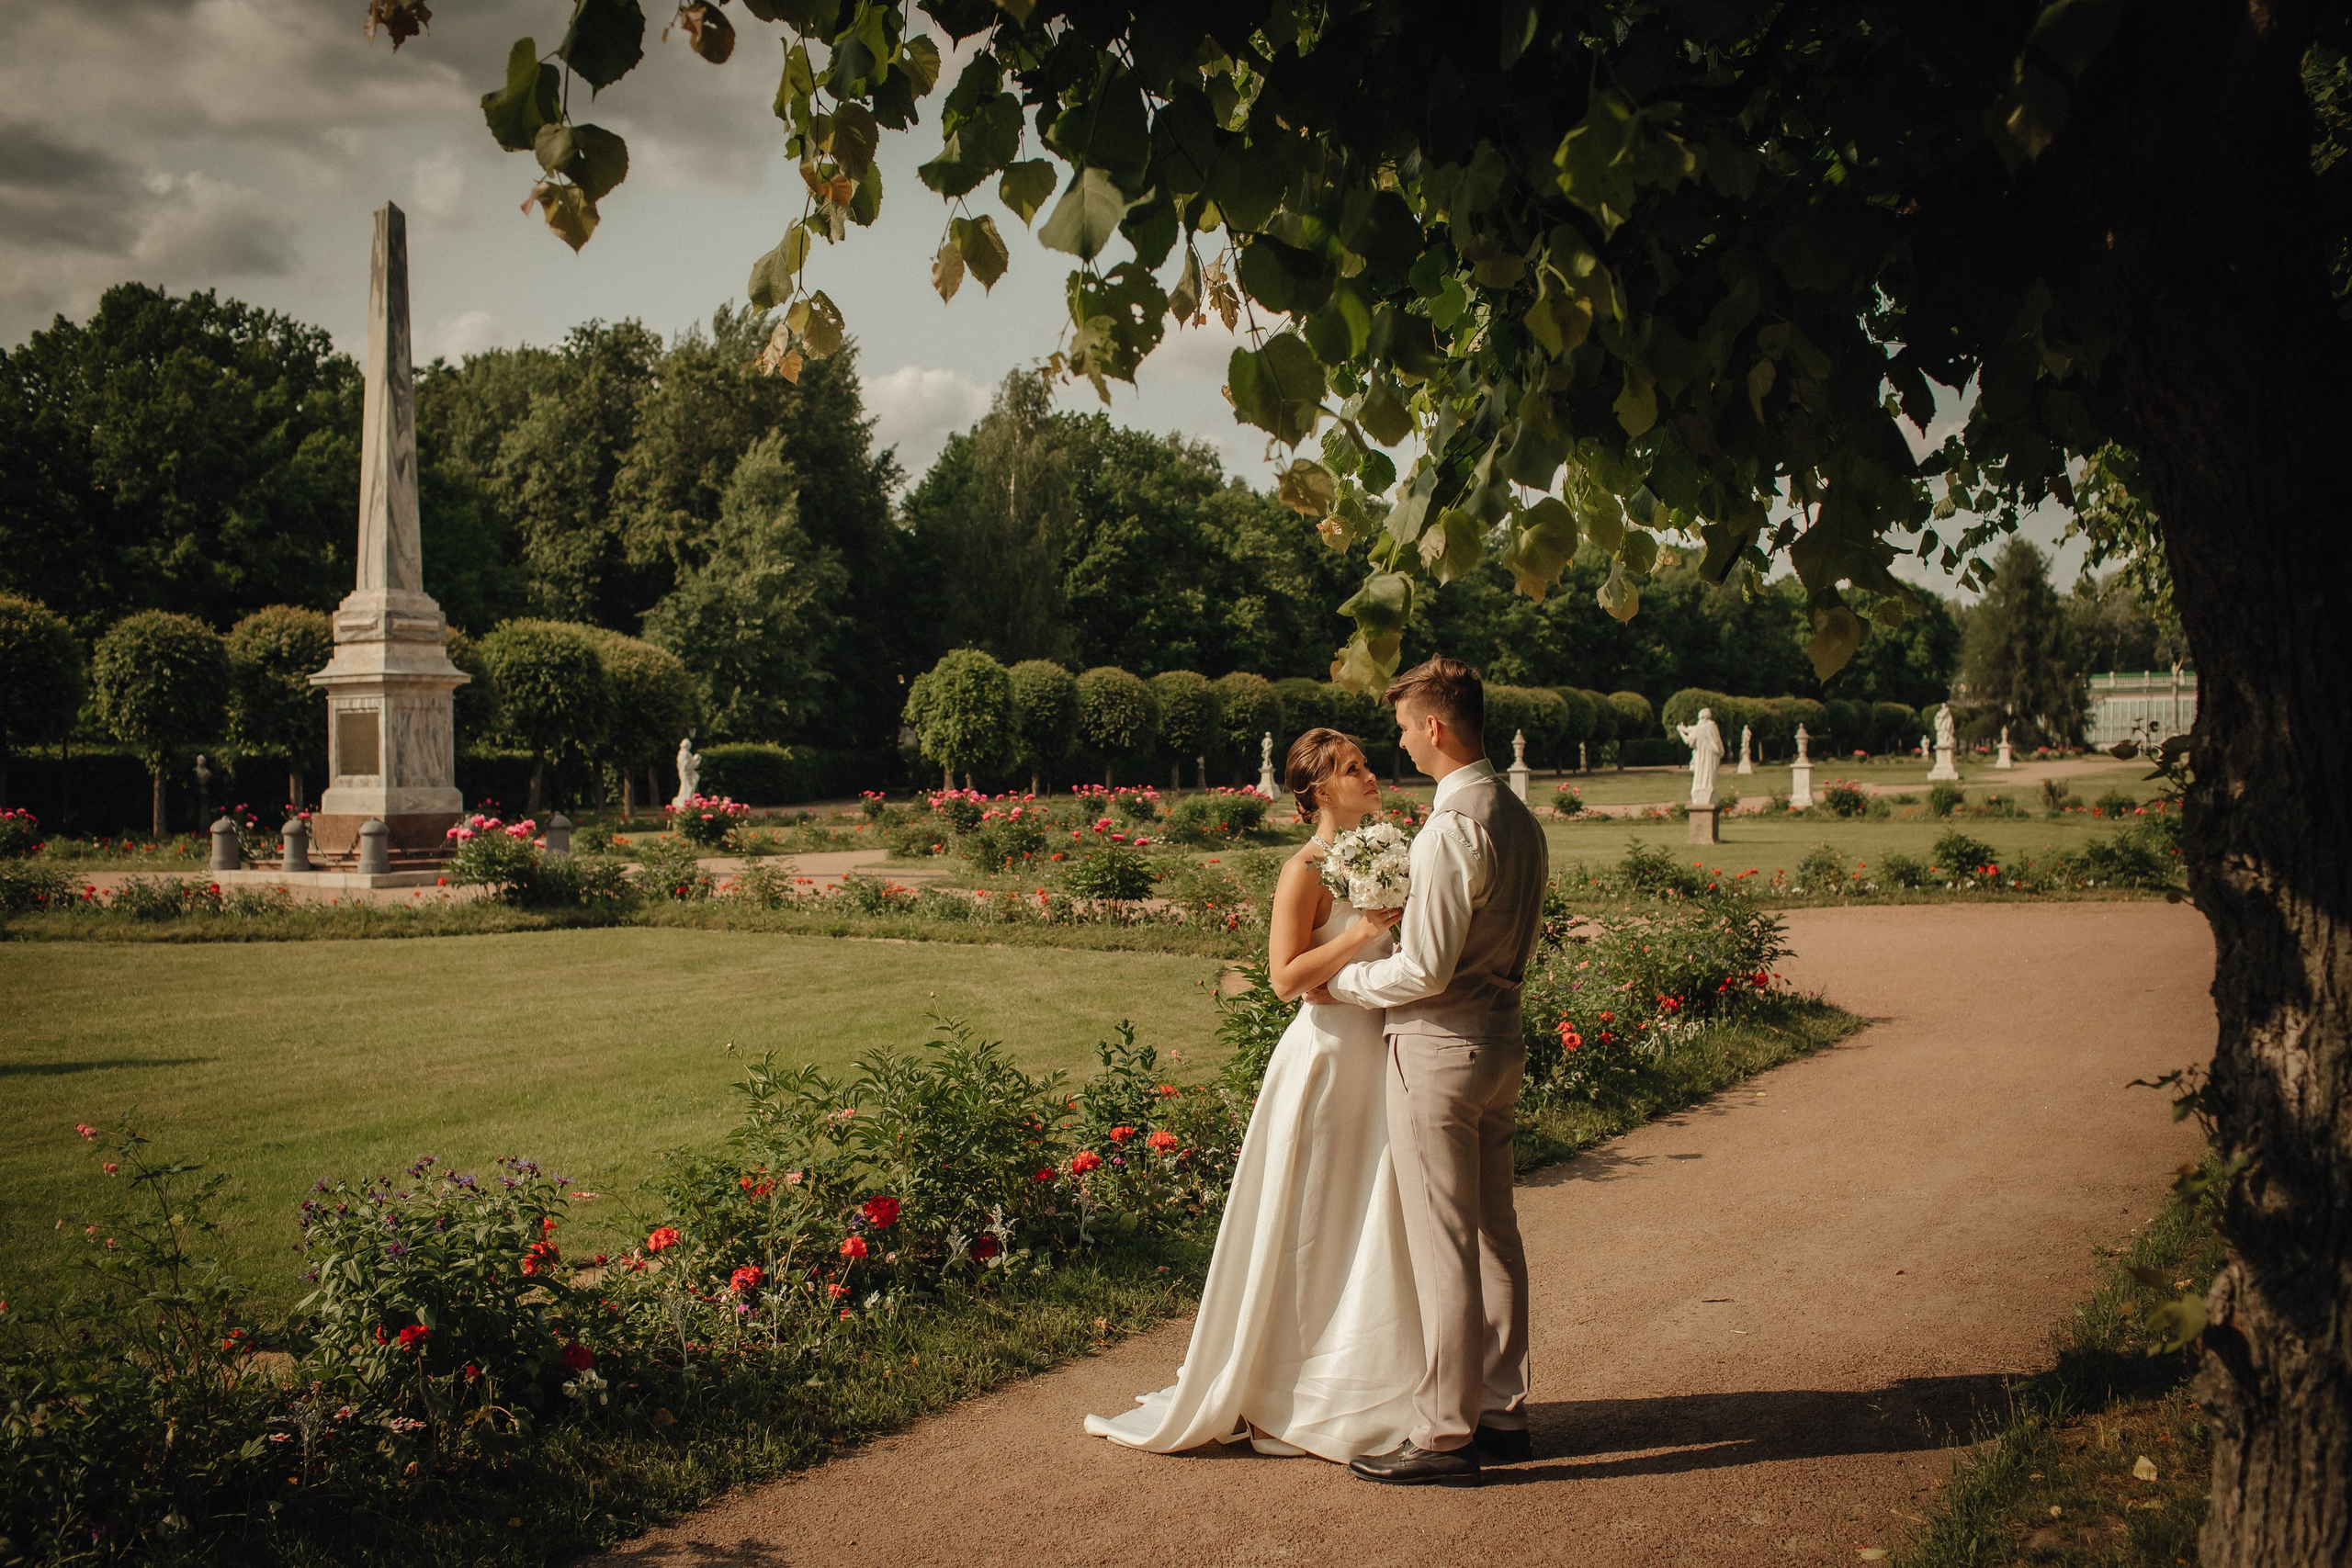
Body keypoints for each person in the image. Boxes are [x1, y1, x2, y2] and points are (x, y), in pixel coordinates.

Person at [1083, 728, 1419, 1461]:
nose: (1371, 776)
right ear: (1317, 791)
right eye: (1353, 769)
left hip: (1382, 1057)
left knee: (1364, 1223)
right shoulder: (1303, 869)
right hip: (1326, 1061)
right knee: (1307, 1223)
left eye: (1365, 764)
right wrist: (1364, 929)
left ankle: (1352, 1379)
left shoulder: (1393, 852)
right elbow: (1283, 978)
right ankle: (1273, 1394)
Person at [1315, 656, 1550, 1487]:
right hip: (1502, 1042)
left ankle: (1445, 1435)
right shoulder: (1520, 817)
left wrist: (1341, 982)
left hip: (1442, 1047)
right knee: (1495, 1231)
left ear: (1438, 727)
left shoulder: (1453, 828)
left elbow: (1426, 969)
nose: (1403, 742)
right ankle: (1502, 1410)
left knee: (1446, 1239)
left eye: (1407, 727)